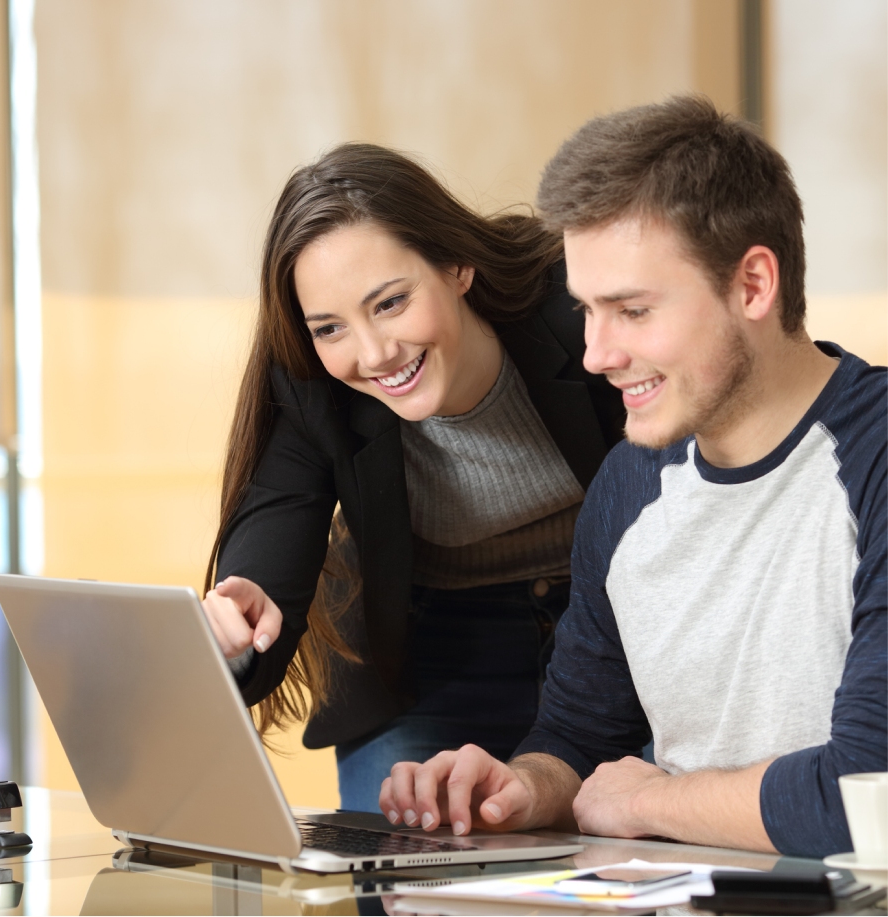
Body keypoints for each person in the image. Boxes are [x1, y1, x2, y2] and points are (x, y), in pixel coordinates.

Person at [379, 95, 887, 858]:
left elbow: (866, 796)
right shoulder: (627, 484)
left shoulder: (875, 454)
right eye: (586, 309)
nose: (595, 353)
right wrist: (522, 785)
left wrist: (654, 796)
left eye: (632, 310)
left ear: (752, 285)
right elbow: (581, 735)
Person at [201, 143, 625, 810]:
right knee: (405, 876)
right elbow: (272, 525)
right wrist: (237, 614)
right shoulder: (315, 380)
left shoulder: (575, 306)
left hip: (611, 626)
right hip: (429, 652)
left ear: (457, 265)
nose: (372, 354)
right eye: (330, 327)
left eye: (391, 303)